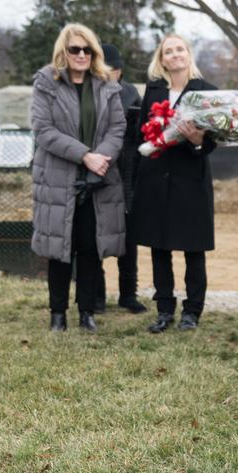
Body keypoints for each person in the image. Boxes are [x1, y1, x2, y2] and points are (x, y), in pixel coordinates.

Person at [29, 24, 126, 332]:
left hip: (98, 178)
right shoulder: (47, 84)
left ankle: (87, 312)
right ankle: (58, 313)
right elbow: (43, 130)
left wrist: (101, 159)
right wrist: (85, 155)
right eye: (75, 49)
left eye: (87, 50)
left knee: (89, 248)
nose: (81, 55)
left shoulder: (106, 85)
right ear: (64, 52)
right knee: (59, 250)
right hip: (59, 177)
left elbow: (117, 128)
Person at [129, 33, 218, 332]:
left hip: (190, 182)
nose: (175, 55)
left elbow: (212, 143)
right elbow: (141, 134)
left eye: (180, 49)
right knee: (159, 248)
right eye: (169, 51)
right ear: (162, 59)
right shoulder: (154, 91)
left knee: (193, 251)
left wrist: (196, 141)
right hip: (155, 181)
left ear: (189, 54)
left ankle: (192, 311)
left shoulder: (205, 91)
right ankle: (164, 309)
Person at [97, 42, 146, 314]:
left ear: (120, 71)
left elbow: (140, 132)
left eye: (113, 69)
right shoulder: (89, 94)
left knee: (129, 240)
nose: (108, 74)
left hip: (127, 173)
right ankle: (96, 296)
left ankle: (128, 294)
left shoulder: (130, 93)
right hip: (101, 170)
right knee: (96, 238)